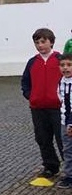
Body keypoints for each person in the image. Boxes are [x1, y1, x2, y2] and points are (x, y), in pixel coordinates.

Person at [21, 28, 63, 178]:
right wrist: (30, 96)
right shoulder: (32, 62)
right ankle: (50, 166)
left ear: (51, 42)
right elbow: (25, 82)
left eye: (43, 41)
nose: (40, 45)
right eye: (37, 42)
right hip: (38, 108)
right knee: (43, 139)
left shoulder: (60, 60)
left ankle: (69, 167)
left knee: (62, 139)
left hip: (59, 108)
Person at [56, 54, 72, 189]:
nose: (65, 68)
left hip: (70, 122)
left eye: (69, 65)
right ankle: (69, 175)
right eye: (62, 65)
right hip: (64, 122)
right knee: (67, 149)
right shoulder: (61, 81)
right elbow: (62, 102)